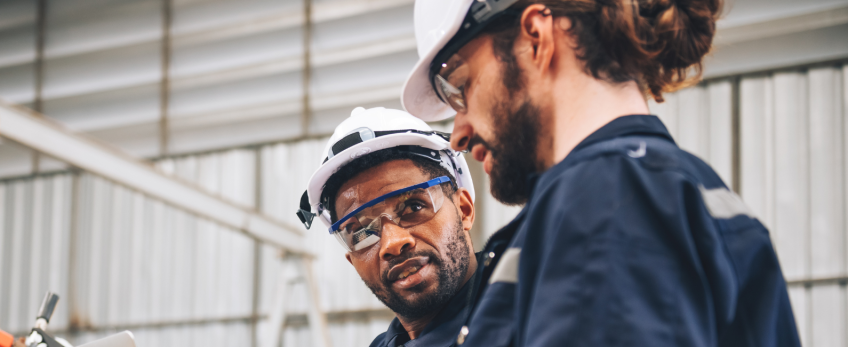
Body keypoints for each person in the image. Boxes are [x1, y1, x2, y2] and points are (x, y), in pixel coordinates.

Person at [398, 0, 801, 346]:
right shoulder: (686, 188)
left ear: (536, 37)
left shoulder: (603, 201)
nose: (459, 134)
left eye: (462, 87)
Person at [296, 107, 482, 347]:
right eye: (362, 232)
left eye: (414, 207)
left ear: (464, 210)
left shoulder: (528, 316)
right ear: (353, 261)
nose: (392, 243)